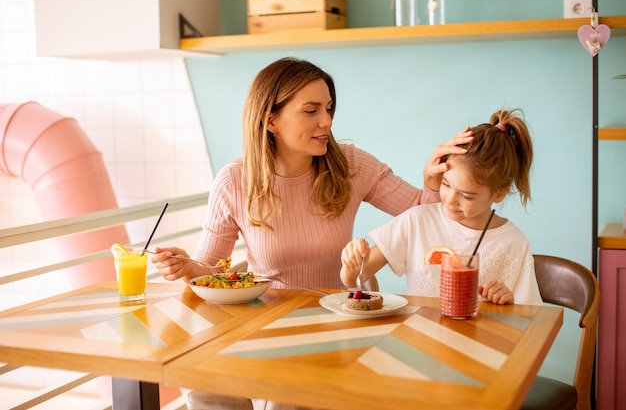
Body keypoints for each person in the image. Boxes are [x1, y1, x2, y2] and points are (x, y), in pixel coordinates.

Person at [152, 57, 472, 410]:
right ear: (269, 119)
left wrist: (431, 180)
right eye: (311, 110)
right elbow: (211, 269)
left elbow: (425, 214)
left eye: (329, 108)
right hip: (261, 328)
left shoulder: (351, 165)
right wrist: (187, 267)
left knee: (286, 403)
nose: (327, 121)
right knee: (203, 389)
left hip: (334, 328)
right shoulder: (234, 181)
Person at [341, 108, 543, 306]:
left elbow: (532, 319)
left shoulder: (514, 242)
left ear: (499, 194)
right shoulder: (417, 220)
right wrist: (352, 264)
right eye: (446, 184)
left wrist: (509, 302)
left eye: (466, 195)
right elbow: (353, 279)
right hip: (418, 338)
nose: (450, 200)